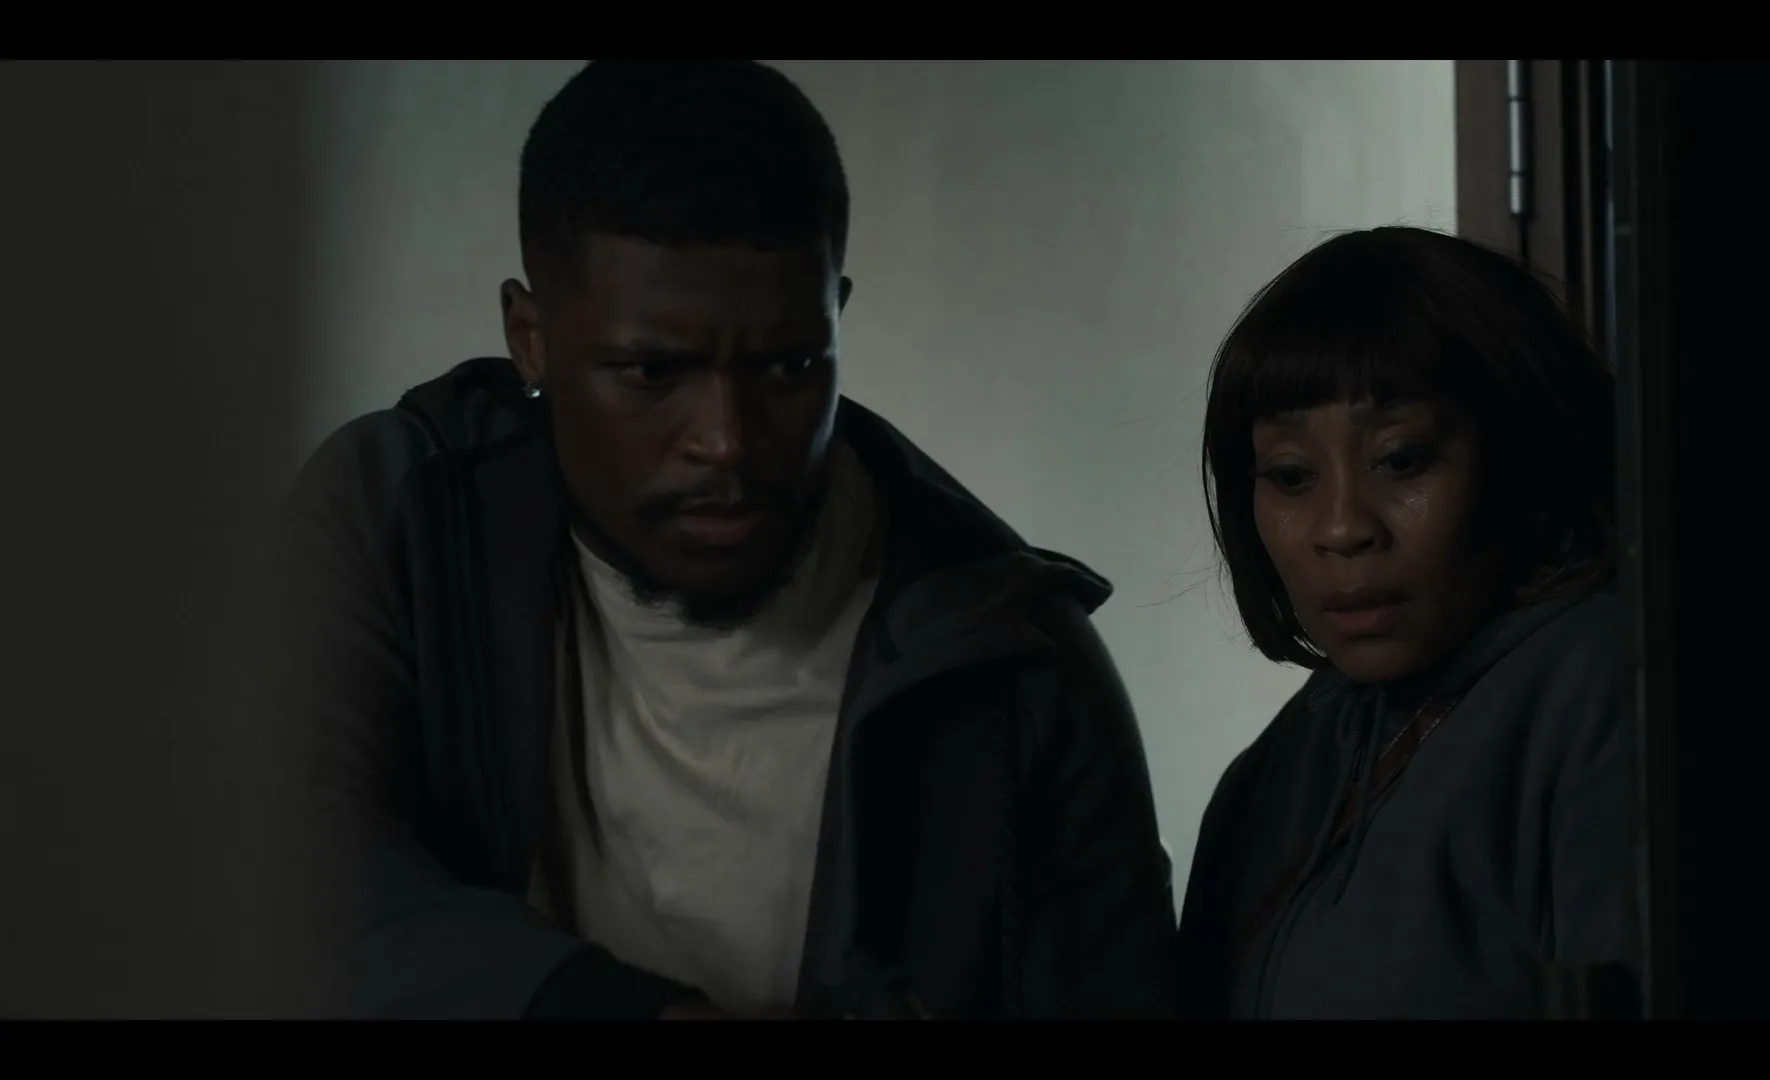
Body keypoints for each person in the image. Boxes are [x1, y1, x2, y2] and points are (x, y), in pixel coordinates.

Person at [277, 59, 1175, 1020]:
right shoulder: (398, 524)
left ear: (837, 318)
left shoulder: (1015, 668)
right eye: (654, 372)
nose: (728, 441)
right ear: (530, 337)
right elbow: (279, 866)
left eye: (789, 366)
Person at [1175, 226, 1635, 1019]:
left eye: (1402, 461)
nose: (1342, 528)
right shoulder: (1287, 757)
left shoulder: (1610, 692)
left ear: (1525, 454)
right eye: (1291, 475)